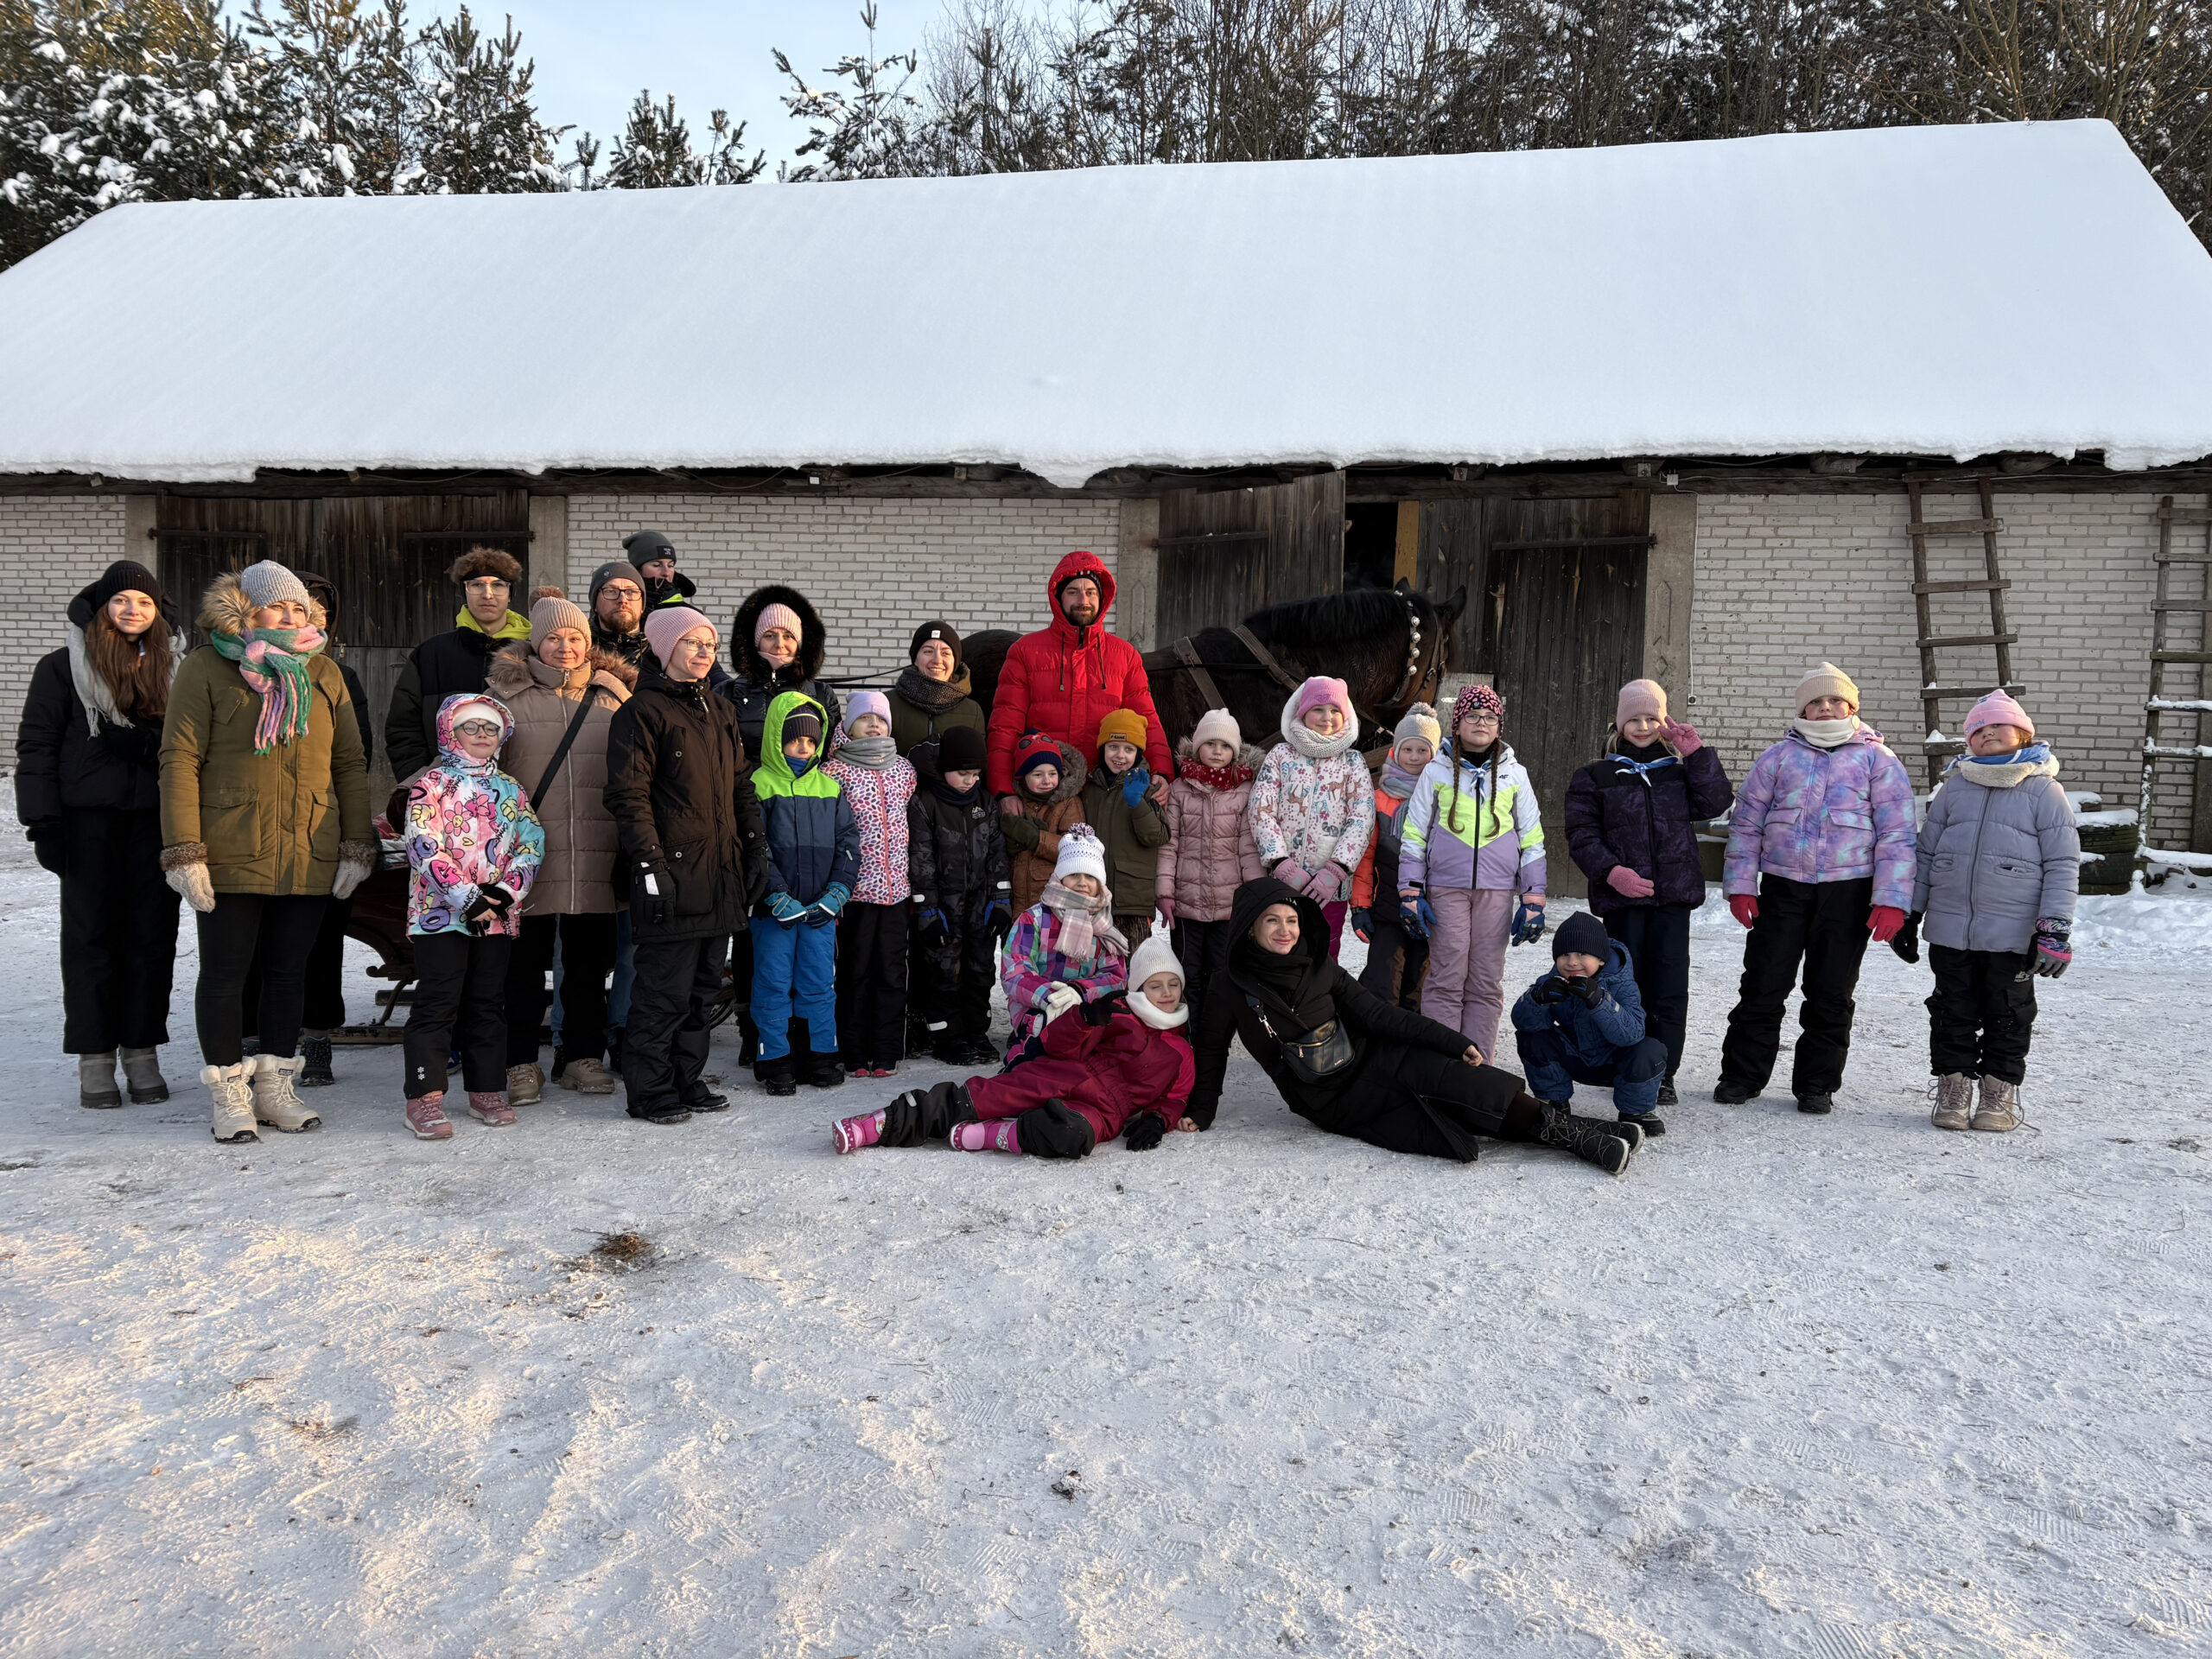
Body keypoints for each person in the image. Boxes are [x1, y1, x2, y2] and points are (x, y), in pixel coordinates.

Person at [1186, 878, 1637, 1173]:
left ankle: (1578, 1134)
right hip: (1327, 1096)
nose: (1285, 930)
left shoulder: (1318, 966)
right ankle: (1577, 1134)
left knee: (1456, 1077)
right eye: (1272, 921)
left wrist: (1452, 1042)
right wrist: (1200, 1110)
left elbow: (1377, 1015)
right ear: (1249, 928)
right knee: (1439, 1115)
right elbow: (1210, 1050)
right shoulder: (1230, 986)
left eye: (1291, 920)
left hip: (1367, 1055)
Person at [160, 561, 374, 1143]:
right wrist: (184, 850)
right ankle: (229, 1094)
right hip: (232, 846)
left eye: (298, 608)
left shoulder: (324, 672)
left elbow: (350, 762)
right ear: (246, 610)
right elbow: (179, 759)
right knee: (226, 973)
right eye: (277, 606)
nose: (289, 616)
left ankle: (276, 1088)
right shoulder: (206, 667)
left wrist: (357, 842)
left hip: (309, 846)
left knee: (287, 973)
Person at [16, 560, 181, 1109]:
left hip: (156, 823)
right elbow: (37, 746)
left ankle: (142, 1052)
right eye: (121, 600)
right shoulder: (62, 666)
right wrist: (43, 823)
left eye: (144, 602)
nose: (133, 610)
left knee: (151, 939)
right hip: (86, 823)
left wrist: (150, 743)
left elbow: (194, 746)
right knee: (91, 940)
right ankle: (95, 1060)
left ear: (157, 612)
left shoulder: (175, 667)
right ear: (102, 607)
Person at [1716, 662, 1915, 1115]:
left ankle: (1816, 1084)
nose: (1825, 707)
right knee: (1763, 984)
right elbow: (1746, 824)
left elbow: (1898, 834)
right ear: (1802, 709)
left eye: (1835, 700)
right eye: (1816, 701)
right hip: (1783, 888)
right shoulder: (1777, 758)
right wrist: (1741, 885)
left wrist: (1891, 900)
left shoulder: (1878, 760)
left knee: (1831, 991)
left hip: (1848, 892)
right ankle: (1741, 1076)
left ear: (1852, 707)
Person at [603, 605, 768, 1126]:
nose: (703, 653)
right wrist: (650, 866)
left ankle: (685, 1078)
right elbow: (628, 796)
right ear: (663, 646)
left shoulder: (720, 710)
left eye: (710, 645)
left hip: (719, 873)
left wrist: (755, 848)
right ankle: (650, 1090)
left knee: (701, 990)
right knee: (663, 992)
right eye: (692, 642)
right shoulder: (641, 712)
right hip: (671, 874)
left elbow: (741, 786)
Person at [834, 932, 1196, 1158]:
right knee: (980, 1097)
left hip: (1103, 1110)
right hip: (1062, 1073)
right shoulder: (1117, 1012)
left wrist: (1157, 1120)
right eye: (1155, 985)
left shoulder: (1181, 1052)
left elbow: (1175, 1098)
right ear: (1138, 989)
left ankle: (997, 1133)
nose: (1166, 993)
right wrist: (1084, 1018)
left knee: (1072, 1135)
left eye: (1173, 985)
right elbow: (1057, 1045)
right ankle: (881, 1123)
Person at [488, 590, 635, 1103]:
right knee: (523, 966)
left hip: (597, 847)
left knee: (589, 964)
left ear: (588, 642)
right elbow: (471, 762)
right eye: (553, 637)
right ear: (535, 643)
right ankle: (520, 1062)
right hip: (526, 856)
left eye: (575, 637)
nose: (565, 647)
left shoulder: (614, 697)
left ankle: (581, 1057)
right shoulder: (503, 698)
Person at [1909, 690, 2078, 1134]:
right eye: (1977, 730)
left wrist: (2054, 929)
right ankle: (1954, 1088)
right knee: (1951, 1011)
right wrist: (1911, 911)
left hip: (2013, 934)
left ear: (2022, 734)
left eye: (1997, 726)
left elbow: (2062, 863)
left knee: (2008, 1013)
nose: (1986, 734)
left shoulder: (2043, 789)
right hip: (1951, 929)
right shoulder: (1954, 787)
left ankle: (1998, 1093)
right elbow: (1927, 852)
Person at [1563, 678, 1734, 1108]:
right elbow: (1581, 834)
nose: (1642, 727)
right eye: (1634, 719)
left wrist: (1697, 754)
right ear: (1619, 723)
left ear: (1663, 722)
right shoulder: (1594, 776)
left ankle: (1662, 1071)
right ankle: (1624, 1064)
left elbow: (1716, 803)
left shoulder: (1678, 773)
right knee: (1625, 985)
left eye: (1651, 718)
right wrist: (1611, 872)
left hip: (1672, 900)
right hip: (1623, 903)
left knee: (1669, 989)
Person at [399, 694, 544, 1139]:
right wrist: (466, 897)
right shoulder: (431, 784)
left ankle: (486, 1088)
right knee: (438, 999)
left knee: (487, 1001)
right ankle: (424, 1095)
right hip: (439, 914)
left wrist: (504, 893)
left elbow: (532, 842)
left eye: (490, 728)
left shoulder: (511, 788)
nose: (482, 734)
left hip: (497, 915)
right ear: (450, 732)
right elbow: (423, 843)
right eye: (471, 726)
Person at [1398, 683, 1546, 1065]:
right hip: (1446, 888)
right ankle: (1443, 1065)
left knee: (1485, 981)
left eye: (1490, 717)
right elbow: (1414, 834)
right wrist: (1411, 892)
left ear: (1500, 726)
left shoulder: (1515, 775)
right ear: (1457, 722)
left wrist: (1533, 899)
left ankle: (1480, 1069)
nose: (1481, 723)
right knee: (1446, 977)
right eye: (1472, 715)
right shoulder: (1436, 771)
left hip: (1496, 891)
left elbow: (1532, 838)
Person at [987, 550, 1170, 811]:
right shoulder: (1026, 652)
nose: (1083, 600)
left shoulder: (1124, 655)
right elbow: (1005, 726)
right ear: (1058, 597)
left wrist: (1161, 770)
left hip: (1105, 792)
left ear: (1102, 598)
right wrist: (1003, 790)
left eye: (1090, 592)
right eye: (1073, 591)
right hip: (1044, 793)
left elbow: (1145, 719)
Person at [283, 571, 376, 1086]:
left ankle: (317, 1033)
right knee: (257, 942)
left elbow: (354, 759)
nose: (306, 618)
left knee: (321, 938)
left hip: (322, 822)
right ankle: (255, 1035)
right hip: (256, 825)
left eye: (319, 609)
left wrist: (354, 837)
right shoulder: (231, 669)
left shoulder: (338, 677)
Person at [750, 690, 861, 1096]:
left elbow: (849, 843)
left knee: (818, 982)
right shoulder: (759, 785)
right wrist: (776, 894)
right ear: (776, 739)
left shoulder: (829, 787)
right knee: (773, 983)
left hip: (819, 911)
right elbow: (754, 846)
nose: (804, 747)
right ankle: (776, 1057)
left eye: (811, 740)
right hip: (775, 913)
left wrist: (837, 891)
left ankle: (820, 1053)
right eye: (795, 739)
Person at [823, 691, 918, 1078]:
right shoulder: (834, 771)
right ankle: (853, 1050)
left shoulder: (904, 770)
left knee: (891, 972)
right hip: (854, 892)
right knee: (854, 969)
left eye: (880, 719)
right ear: (849, 726)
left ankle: (886, 1049)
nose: (874, 725)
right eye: (865, 718)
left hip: (896, 893)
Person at [906, 724, 1014, 1065]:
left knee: (980, 969)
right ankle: (947, 1036)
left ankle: (975, 1030)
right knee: (943, 972)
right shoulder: (926, 803)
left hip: (980, 905)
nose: (970, 781)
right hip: (943, 906)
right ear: (945, 769)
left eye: (976, 774)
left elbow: (997, 855)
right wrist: (927, 910)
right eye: (963, 774)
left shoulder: (985, 803)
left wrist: (1001, 900)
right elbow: (921, 861)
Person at [1511, 912, 1672, 1135]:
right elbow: (1522, 1022)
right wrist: (1538, 999)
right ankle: (1553, 1101)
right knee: (1532, 1038)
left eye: (1582, 954)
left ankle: (1636, 1112)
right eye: (1564, 954)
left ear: (1601, 959)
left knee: (1650, 1050)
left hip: (1614, 1061)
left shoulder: (1622, 984)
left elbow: (1633, 1033)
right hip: (1575, 1056)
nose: (1572, 962)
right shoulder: (1551, 981)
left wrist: (1600, 1001)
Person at [1249, 676, 1372, 958]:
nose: (1327, 717)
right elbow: (1260, 810)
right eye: (1318, 709)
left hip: (1329, 889)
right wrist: (1280, 864)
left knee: (1322, 954)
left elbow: (1361, 819)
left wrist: (1336, 871)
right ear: (1302, 712)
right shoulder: (1281, 756)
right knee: (1279, 950)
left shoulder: (1353, 762)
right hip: (1282, 884)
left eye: (1335, 710)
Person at [1156, 707, 1264, 1025]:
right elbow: (1169, 844)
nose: (1217, 751)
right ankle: (1188, 1030)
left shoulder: (1244, 792)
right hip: (1186, 903)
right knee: (1188, 969)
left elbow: (1248, 848)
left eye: (1225, 746)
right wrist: (1164, 892)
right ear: (1197, 748)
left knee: (1221, 969)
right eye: (1210, 744)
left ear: (1235, 752)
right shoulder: (1180, 789)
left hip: (1228, 904)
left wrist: (1255, 895)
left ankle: (1214, 1034)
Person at [385, 547, 531, 781]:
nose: (488, 594)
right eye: (476, 585)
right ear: (464, 592)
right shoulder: (430, 654)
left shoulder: (533, 654)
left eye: (498, 585)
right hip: (444, 793)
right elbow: (403, 730)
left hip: (519, 792)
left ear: (510, 593)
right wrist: (423, 782)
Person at [1001, 826, 1128, 1050]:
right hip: (1038, 1005)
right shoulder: (1033, 919)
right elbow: (1015, 972)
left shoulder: (1103, 925)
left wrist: (1078, 992)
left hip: (1085, 1006)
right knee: (1045, 1041)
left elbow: (1115, 976)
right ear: (1060, 878)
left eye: (1090, 876)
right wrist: (1053, 998)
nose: (1082, 882)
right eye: (1074, 875)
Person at [1350, 702, 1440, 1016]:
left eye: (1422, 750)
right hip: (1386, 909)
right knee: (1383, 982)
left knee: (1418, 985)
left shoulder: (1443, 798)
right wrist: (1360, 905)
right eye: (1407, 749)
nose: (1414, 757)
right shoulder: (1378, 799)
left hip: (1430, 909)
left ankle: (1412, 1041)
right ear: (1395, 751)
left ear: (1434, 754)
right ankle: (1376, 1039)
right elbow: (1365, 856)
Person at [1080, 708, 1171, 947]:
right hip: (1092, 897)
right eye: (1113, 747)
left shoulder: (1148, 788)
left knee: (1133, 962)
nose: (1120, 755)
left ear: (1138, 753)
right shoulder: (1089, 788)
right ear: (1102, 748)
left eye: (1129, 749)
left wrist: (1137, 804)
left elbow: (1157, 836)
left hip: (1132, 901)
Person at [999, 731, 1088, 915]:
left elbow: (1075, 848)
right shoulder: (1018, 804)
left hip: (1052, 906)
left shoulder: (1068, 803)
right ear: (1022, 777)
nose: (1047, 781)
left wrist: (1036, 839)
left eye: (1052, 773)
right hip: (1018, 903)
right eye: (1038, 775)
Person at [889, 618, 986, 756]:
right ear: (915, 659)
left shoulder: (973, 711)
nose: (937, 660)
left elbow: (976, 764)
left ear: (955, 661)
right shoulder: (887, 704)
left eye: (945, 653)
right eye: (928, 651)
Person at [588, 559, 649, 666]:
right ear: (595, 603)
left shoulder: (662, 652)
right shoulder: (578, 651)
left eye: (631, 592)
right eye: (611, 591)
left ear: (642, 603)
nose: (623, 600)